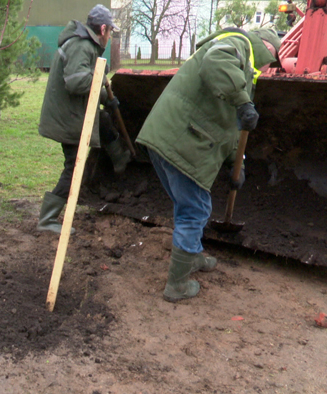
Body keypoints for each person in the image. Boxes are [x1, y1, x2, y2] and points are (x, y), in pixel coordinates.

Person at [135, 28, 281, 302]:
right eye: (272, 59)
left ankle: (191, 256)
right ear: (266, 47)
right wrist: (243, 102)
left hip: (168, 138)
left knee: (188, 205)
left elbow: (233, 126)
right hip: (182, 140)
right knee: (196, 209)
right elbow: (215, 63)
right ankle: (176, 285)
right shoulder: (237, 45)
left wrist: (238, 166)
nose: (268, 66)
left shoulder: (244, 71)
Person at [37, 4, 131, 234]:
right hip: (68, 117)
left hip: (73, 112)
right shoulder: (82, 45)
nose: (110, 37)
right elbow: (77, 82)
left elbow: (85, 79)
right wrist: (99, 83)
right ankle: (47, 219)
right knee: (73, 166)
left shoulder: (84, 44)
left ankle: (121, 159)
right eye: (110, 31)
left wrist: (106, 99)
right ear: (102, 29)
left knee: (104, 119)